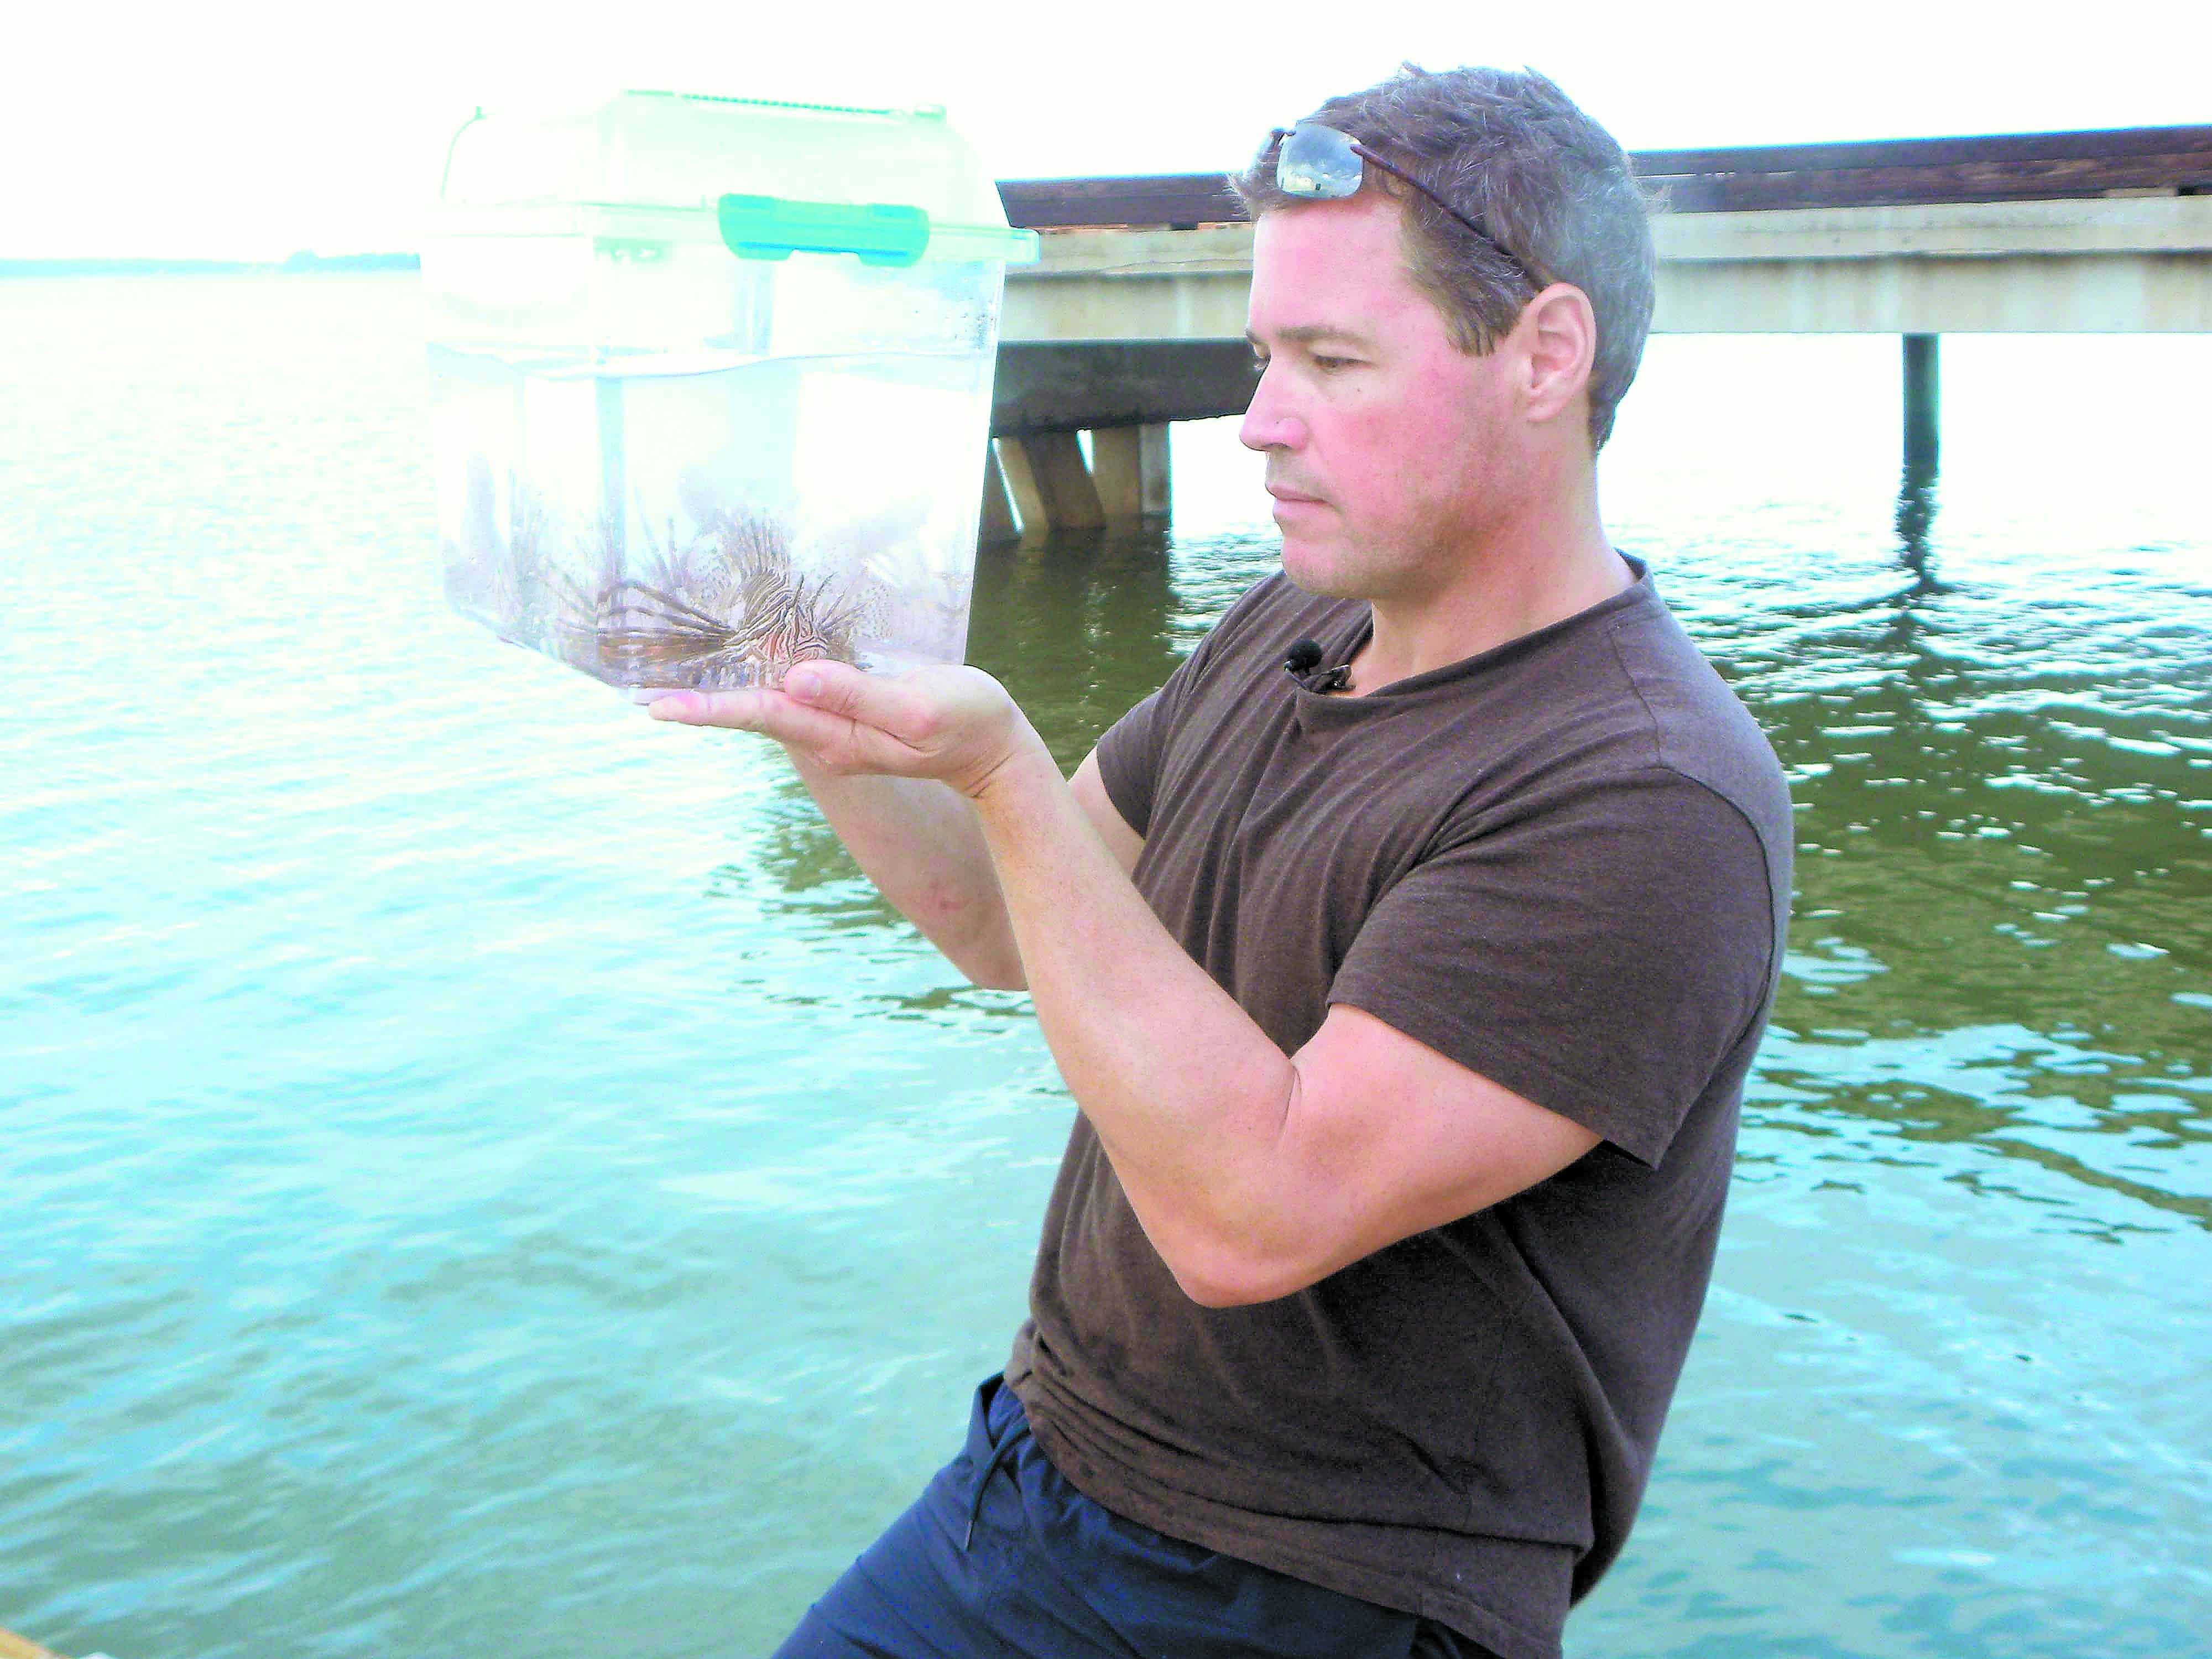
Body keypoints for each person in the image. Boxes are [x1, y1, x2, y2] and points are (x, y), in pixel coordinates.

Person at [653, 64, 1792, 1659]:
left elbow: (1252, 1211)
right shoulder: (1297, 621)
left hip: (1337, 1595)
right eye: (1266, 355)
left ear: (1546, 354)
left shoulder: (1648, 797)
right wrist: (811, 696)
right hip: (1040, 1477)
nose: (1258, 421)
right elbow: (1003, 917)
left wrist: (1001, 766)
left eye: (1331, 361)